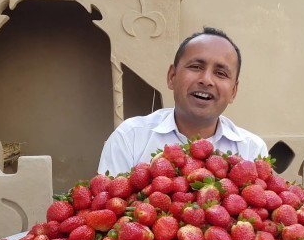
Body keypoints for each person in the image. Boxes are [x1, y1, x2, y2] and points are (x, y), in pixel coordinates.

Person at [98, 26, 268, 175]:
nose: (206, 80)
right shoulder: (130, 138)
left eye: (221, 73)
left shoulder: (251, 150)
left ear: (233, 92)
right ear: (172, 77)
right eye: (196, 67)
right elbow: (109, 205)